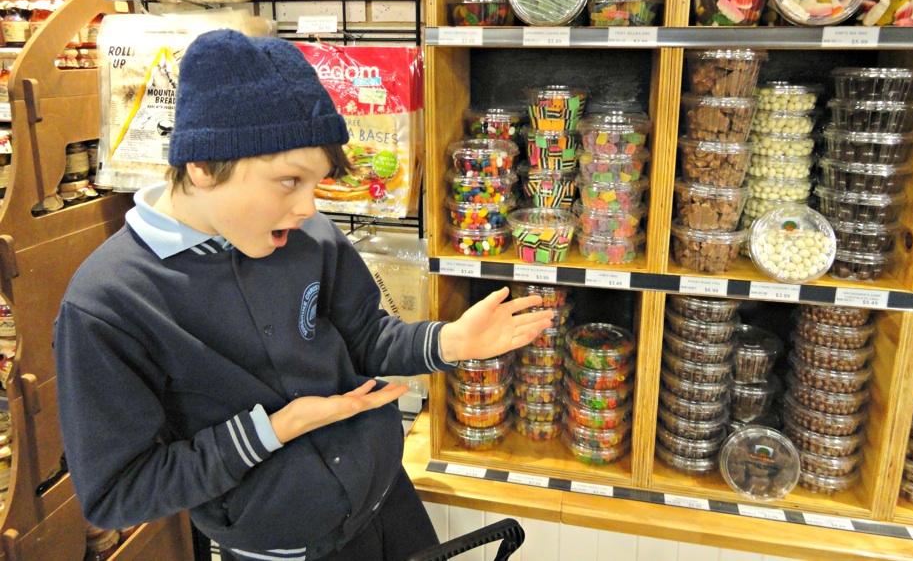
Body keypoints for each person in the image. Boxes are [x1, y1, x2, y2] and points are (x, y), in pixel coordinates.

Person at [54, 29, 554, 561]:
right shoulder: (108, 304)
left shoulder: (307, 235)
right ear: (201, 165)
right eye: (290, 181)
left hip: (388, 497)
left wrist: (450, 342)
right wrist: (275, 429)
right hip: (283, 545)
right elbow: (118, 493)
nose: (309, 208)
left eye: (316, 184)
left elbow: (366, 337)